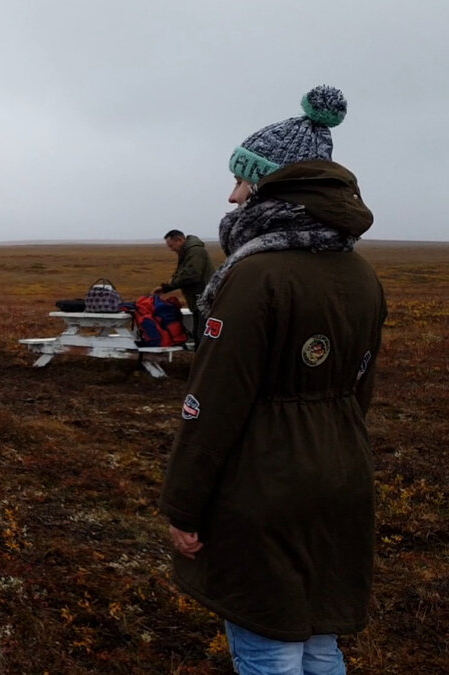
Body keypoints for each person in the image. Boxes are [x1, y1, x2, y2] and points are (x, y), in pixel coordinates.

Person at [158, 85, 385, 675]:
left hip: (263, 485)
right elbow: (360, 391)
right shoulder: (361, 273)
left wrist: (183, 505)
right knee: (315, 638)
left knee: (266, 643)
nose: (232, 194)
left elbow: (213, 403)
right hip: (342, 472)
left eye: (245, 179)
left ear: (277, 185)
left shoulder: (255, 276)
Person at [153, 230, 215, 346]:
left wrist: (170, 284)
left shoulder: (195, 251)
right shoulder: (188, 252)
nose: (171, 249)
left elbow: (192, 275)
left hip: (205, 301)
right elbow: (183, 274)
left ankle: (204, 362)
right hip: (199, 301)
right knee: (199, 335)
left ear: (180, 240)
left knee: (203, 337)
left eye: (171, 246)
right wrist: (165, 288)